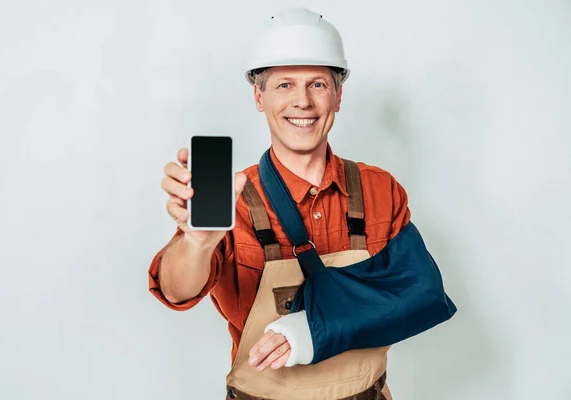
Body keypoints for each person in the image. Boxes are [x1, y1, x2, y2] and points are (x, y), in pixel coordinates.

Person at [150, 8, 455, 399]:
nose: (303, 101)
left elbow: (421, 296)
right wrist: (197, 243)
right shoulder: (234, 199)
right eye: (284, 86)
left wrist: (312, 331)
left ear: (338, 94)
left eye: (317, 84)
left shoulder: (381, 190)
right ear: (258, 96)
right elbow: (176, 291)